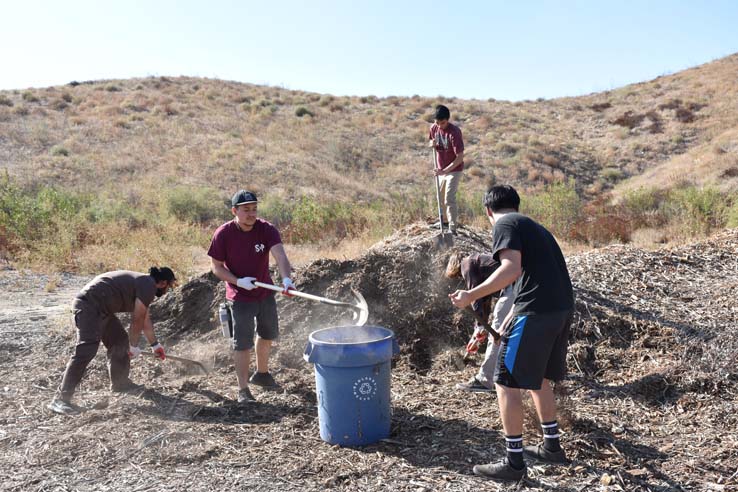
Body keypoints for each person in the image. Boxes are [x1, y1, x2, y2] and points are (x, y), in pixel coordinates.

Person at [449, 185, 574, 481]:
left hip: (538, 312)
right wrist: (516, 313)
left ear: (488, 210)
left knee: (505, 381)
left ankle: (514, 463)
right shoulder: (533, 227)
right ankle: (551, 448)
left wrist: (470, 295)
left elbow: (511, 268)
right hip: (559, 309)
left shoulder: (504, 224)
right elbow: (535, 275)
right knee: (538, 378)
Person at [48, 267, 177, 415]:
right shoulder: (148, 284)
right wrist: (133, 346)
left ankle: (120, 383)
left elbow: (145, 319)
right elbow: (137, 320)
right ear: (162, 282)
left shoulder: (144, 284)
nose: (168, 290)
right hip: (88, 307)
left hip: (102, 310)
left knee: (119, 341)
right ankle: (60, 399)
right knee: (86, 350)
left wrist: (155, 345)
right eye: (169, 286)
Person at [208, 190, 293, 404]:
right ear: (234, 211)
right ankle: (243, 389)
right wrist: (238, 281)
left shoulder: (266, 229)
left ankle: (262, 375)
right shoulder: (223, 234)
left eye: (254, 209)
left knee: (267, 334)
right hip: (239, 296)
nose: (251, 214)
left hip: (265, 292)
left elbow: (280, 255)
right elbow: (216, 268)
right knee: (242, 343)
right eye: (246, 210)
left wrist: (286, 280)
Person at [446, 252, 514, 392]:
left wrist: (479, 327)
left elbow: (475, 298)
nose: (461, 278)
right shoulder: (479, 262)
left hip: (512, 287)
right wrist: (481, 327)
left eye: (459, 277)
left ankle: (485, 380)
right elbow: (484, 300)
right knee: (511, 333)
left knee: (497, 333)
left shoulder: (467, 264)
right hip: (521, 285)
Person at [428, 104, 464, 235]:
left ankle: (452, 229)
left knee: (449, 198)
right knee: (440, 197)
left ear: (448, 120)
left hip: (454, 169)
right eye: (437, 122)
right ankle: (443, 221)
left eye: (442, 123)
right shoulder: (434, 128)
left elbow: (460, 157)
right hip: (440, 169)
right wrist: (431, 144)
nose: (440, 125)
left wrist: (445, 171)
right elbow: (431, 142)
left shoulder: (454, 132)